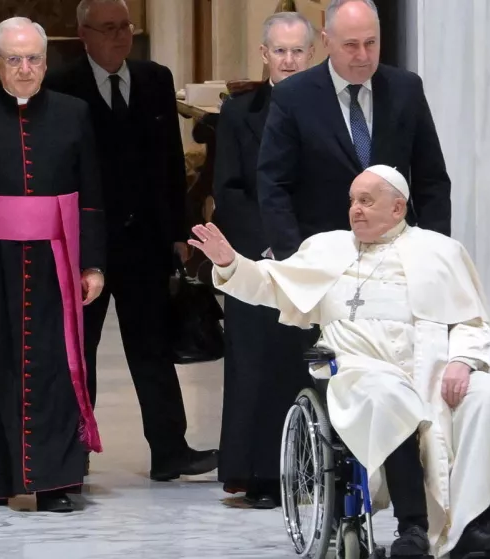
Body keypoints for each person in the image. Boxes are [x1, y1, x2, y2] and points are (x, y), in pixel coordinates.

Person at [189, 166, 490, 558]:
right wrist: (230, 262)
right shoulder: (327, 249)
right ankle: (413, 526)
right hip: (361, 373)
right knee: (389, 397)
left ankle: (477, 524)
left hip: (433, 369)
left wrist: (463, 361)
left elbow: (471, 320)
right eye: (352, 201)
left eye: (366, 201)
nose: (355, 210)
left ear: (398, 207)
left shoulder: (441, 251)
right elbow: (271, 284)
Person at [0, 17, 105, 513]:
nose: (25, 69)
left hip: (55, 260)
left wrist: (92, 263)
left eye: (33, 59)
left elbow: (91, 196)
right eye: (14, 59)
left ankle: (53, 483)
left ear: (46, 63)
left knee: (54, 368)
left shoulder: (73, 114)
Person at [45, 0, 218, 481]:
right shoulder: (62, 86)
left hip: (145, 240)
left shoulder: (154, 79)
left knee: (153, 348)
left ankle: (170, 451)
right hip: (86, 246)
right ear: (83, 34)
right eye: (108, 29)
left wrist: (180, 233)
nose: (120, 37)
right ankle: (72, 456)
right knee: (80, 351)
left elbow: (169, 162)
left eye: (125, 27)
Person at [212, 11, 316, 508]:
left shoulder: (329, 108)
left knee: (304, 365)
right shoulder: (239, 113)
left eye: (298, 51)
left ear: (312, 54)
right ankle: (256, 473)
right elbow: (228, 190)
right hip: (256, 258)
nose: (290, 60)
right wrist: (267, 248)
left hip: (313, 258)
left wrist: (303, 246)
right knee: (253, 365)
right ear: (264, 54)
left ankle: (312, 470)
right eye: (280, 51)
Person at [256, 0, 451, 261]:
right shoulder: (293, 97)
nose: (363, 55)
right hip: (320, 256)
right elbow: (274, 186)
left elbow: (432, 180)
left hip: (397, 256)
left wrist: (434, 253)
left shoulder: (406, 90)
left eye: (371, 43)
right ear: (326, 41)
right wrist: (294, 261)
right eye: (351, 45)